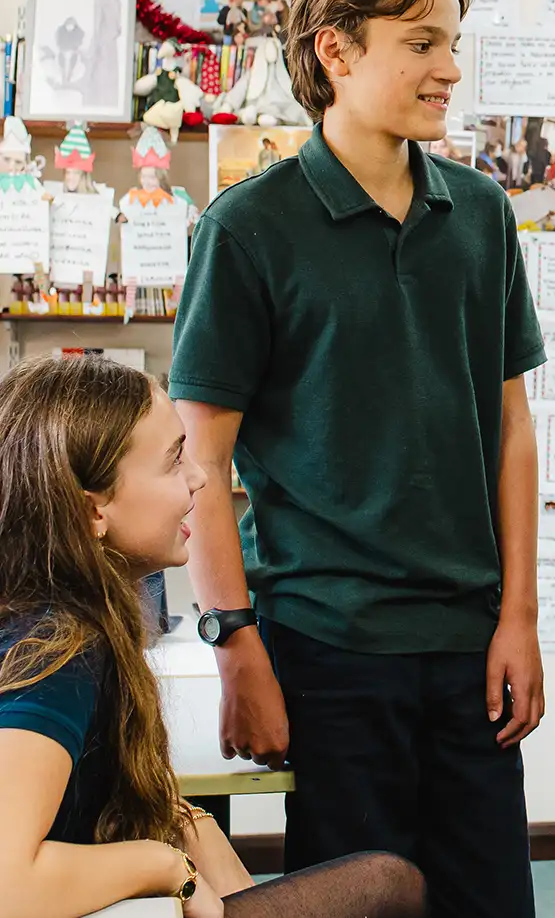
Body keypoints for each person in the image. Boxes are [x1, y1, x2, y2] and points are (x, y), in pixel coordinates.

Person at [169, 0, 545, 918]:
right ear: (335, 50)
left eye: (451, 42)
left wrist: (518, 617)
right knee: (363, 901)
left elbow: (511, 432)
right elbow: (200, 460)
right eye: (421, 43)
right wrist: (233, 642)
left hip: (468, 645)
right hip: (324, 646)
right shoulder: (248, 227)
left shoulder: (482, 214)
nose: (449, 68)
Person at [0, 354, 428, 918]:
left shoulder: (63, 619)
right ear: (92, 511)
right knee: (389, 885)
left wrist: (202, 853)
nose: (200, 476)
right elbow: (8, 884)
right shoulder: (57, 656)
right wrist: (168, 868)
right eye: (174, 461)